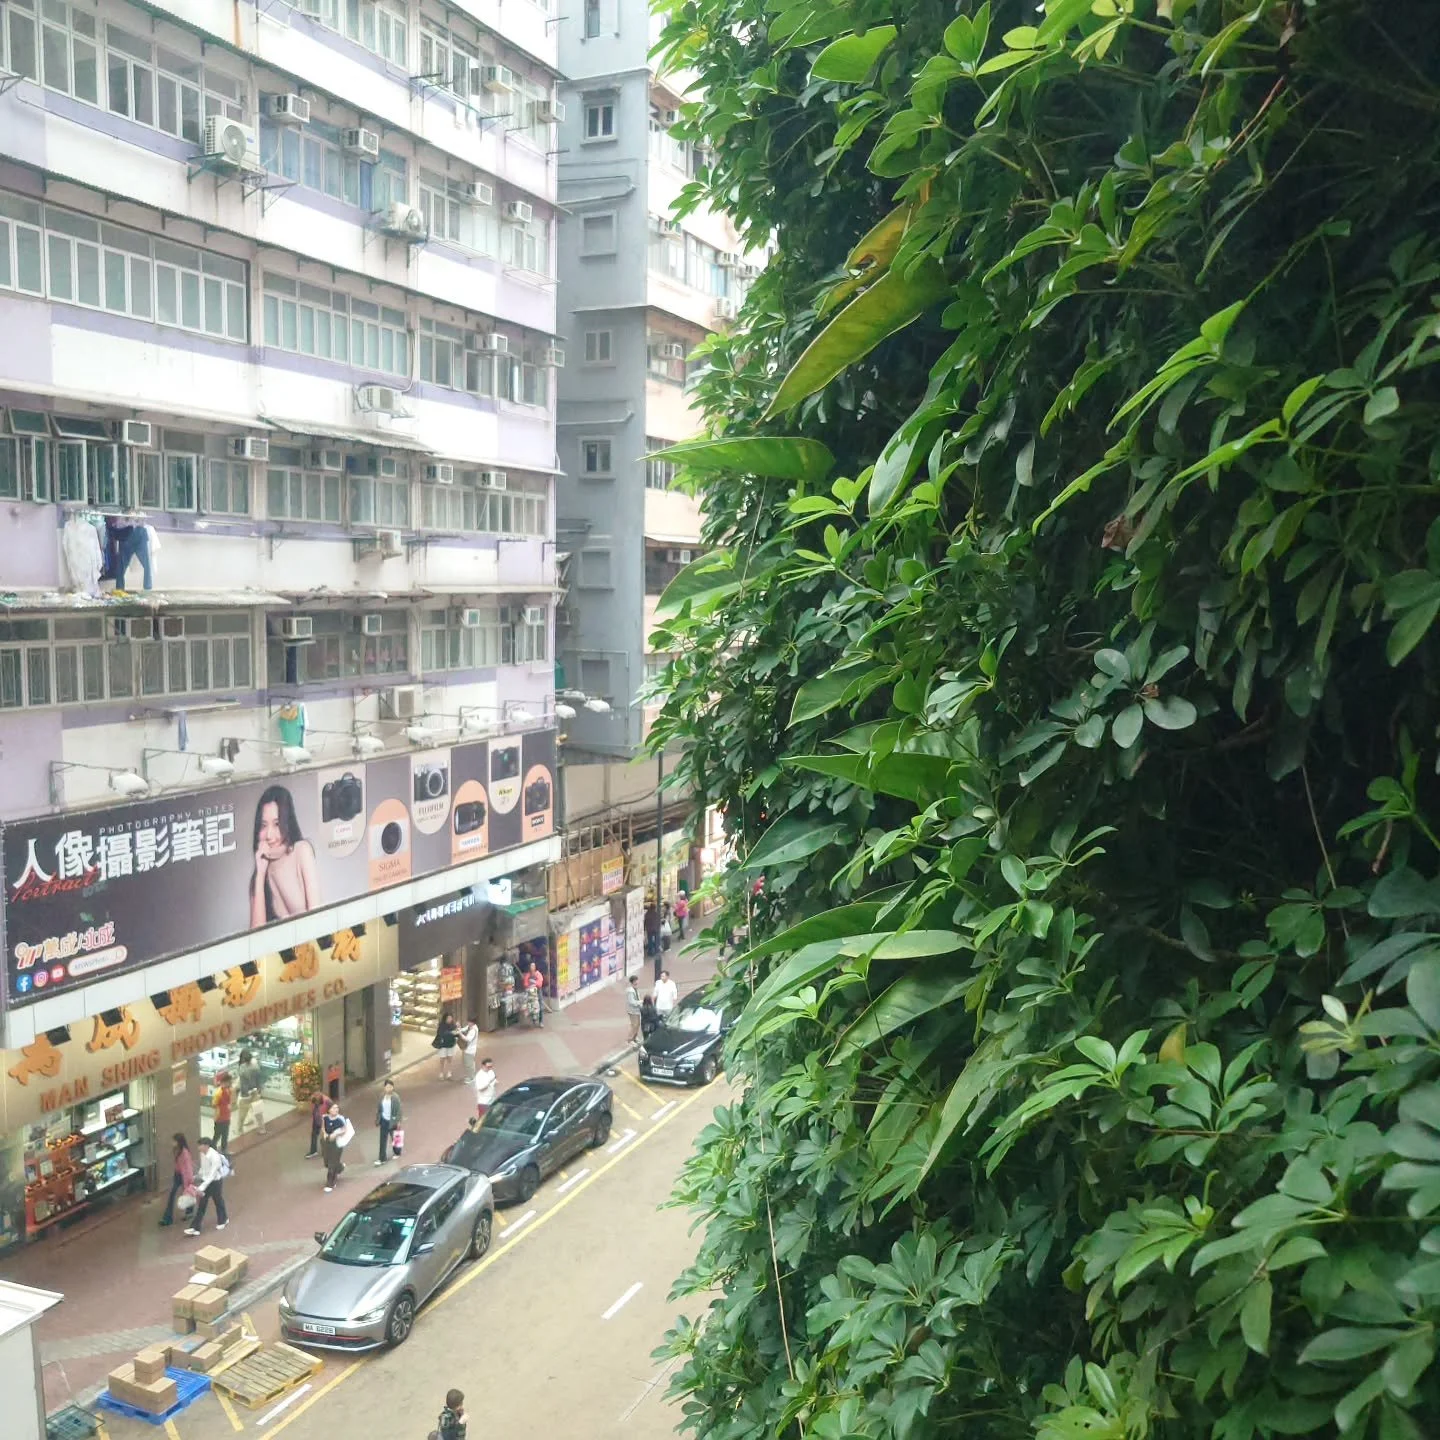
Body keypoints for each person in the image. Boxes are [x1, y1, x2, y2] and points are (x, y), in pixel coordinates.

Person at [249, 785, 320, 926]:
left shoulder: (301, 851)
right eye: (263, 826)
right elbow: (255, 938)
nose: (269, 835)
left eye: (276, 824)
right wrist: (261, 874)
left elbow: (317, 917)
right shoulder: (259, 877)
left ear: (287, 823)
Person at [183, 1136, 229, 1235]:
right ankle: (195, 1228)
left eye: (201, 1145)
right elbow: (204, 1168)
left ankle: (223, 1220)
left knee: (218, 1201)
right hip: (206, 1181)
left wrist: (202, 1187)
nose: (199, 1147)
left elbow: (212, 1174)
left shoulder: (215, 1156)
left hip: (215, 1182)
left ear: (206, 1146)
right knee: (202, 1204)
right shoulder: (202, 1153)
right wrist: (198, 1176)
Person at [158, 1133, 195, 1227]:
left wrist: (188, 1180)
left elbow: (188, 1167)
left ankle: (188, 1212)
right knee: (173, 1193)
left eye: (174, 1141)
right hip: (178, 1174)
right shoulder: (176, 1150)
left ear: (178, 1142)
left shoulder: (184, 1153)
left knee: (186, 1193)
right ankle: (168, 1217)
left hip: (184, 1176)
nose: (172, 1143)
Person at [320, 1100, 353, 1192]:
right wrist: (325, 1133)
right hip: (326, 1142)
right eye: (334, 1108)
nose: (336, 1109)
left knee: (332, 1163)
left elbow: (345, 1129)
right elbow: (323, 1127)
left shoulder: (340, 1119)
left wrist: (336, 1134)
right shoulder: (325, 1118)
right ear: (329, 1110)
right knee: (327, 1161)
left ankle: (330, 1183)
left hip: (337, 1143)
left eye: (337, 1108)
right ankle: (340, 1167)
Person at [234, 1048, 267, 1137]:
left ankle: (239, 1131)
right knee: (258, 1112)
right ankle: (262, 1128)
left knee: (242, 1114)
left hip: (245, 1094)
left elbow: (242, 1081)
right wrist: (259, 1089)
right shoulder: (256, 1067)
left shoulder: (242, 1068)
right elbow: (259, 1080)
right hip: (255, 1092)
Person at [375, 1079, 403, 1165]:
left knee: (395, 1137)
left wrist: (398, 1121)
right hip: (384, 1120)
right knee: (382, 1139)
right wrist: (378, 1119)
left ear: (393, 1087)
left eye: (390, 1087)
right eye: (387, 1087)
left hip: (392, 1120)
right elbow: (379, 1109)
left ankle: (398, 1152)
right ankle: (382, 1158)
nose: (389, 1088)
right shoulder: (382, 1096)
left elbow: (399, 1110)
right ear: (384, 1088)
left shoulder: (395, 1097)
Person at [211, 1072, 233, 1153]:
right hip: (219, 1118)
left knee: (225, 1135)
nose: (231, 1083)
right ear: (225, 1082)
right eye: (229, 1082)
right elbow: (213, 1104)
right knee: (217, 1135)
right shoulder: (219, 1093)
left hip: (227, 1116)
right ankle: (212, 1150)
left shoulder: (229, 1090)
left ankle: (224, 1150)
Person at [432, 1012, 458, 1080]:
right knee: (442, 1059)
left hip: (451, 1044)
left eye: (451, 1018)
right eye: (448, 1018)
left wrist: (457, 1032)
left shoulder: (454, 1025)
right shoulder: (441, 1025)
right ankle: (441, 1073)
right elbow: (440, 1033)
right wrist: (450, 1033)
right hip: (443, 1045)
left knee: (450, 1059)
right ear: (445, 1018)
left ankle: (449, 1072)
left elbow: (456, 1035)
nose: (450, 1019)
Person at [522, 962, 545, 1027]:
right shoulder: (528, 974)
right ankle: (533, 1019)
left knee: (540, 1004)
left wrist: (534, 983)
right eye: (531, 966)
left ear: (535, 967)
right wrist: (529, 985)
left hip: (537, 991)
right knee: (530, 1004)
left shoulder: (538, 974)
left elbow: (540, 983)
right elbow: (525, 983)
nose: (531, 967)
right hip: (530, 992)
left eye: (533, 966)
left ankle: (541, 1021)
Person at [458, 1016, 480, 1082]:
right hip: (468, 1049)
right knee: (470, 1063)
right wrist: (459, 1028)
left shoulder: (473, 1030)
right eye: (468, 1021)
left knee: (469, 1064)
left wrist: (460, 1034)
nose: (468, 1023)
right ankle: (471, 1076)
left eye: (470, 1022)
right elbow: (463, 1029)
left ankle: (472, 1078)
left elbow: (467, 1039)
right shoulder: (469, 1027)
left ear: (473, 1022)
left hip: (470, 1050)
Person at [306, 1089, 326, 1159]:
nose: (315, 1096)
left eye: (317, 1095)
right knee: (314, 1134)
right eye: (314, 1095)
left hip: (324, 1120)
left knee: (324, 1136)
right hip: (316, 1120)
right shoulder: (313, 1100)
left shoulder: (326, 1101)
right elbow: (312, 1108)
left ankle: (326, 1151)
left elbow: (332, 1108)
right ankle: (313, 1151)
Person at [625, 975, 643, 1043]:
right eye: (635, 981)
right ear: (632, 982)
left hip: (637, 1010)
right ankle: (630, 1039)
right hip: (632, 1011)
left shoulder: (636, 989)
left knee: (638, 1024)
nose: (637, 982)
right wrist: (640, 1002)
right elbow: (632, 1002)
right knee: (634, 1025)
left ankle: (635, 1037)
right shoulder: (630, 991)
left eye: (637, 980)